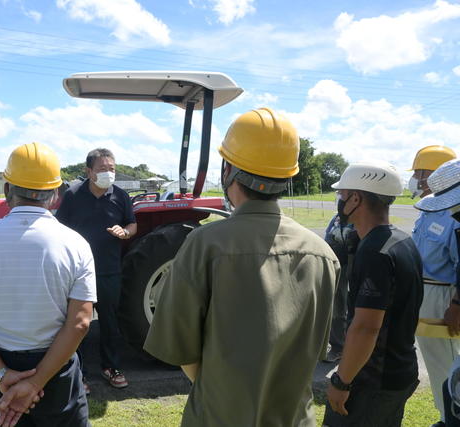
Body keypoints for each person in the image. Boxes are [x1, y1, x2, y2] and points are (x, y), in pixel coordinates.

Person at [144, 108, 340, 426]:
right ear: (287, 176)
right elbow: (315, 348)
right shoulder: (323, 254)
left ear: (229, 170)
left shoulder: (205, 244)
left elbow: (183, 353)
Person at [0, 142, 97, 427]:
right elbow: (80, 322)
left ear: (7, 190)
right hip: (56, 377)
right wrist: (36, 382)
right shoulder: (76, 245)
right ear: (56, 195)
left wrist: (2, 376)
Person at [324, 161, 423, 426]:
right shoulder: (402, 241)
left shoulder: (375, 252)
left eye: (342, 194)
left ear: (356, 198)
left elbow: (366, 328)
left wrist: (341, 381)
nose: (340, 200)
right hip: (400, 371)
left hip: (373, 383)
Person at [55, 148, 137, 389]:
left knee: (110, 323)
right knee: (76, 323)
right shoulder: (72, 195)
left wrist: (125, 232)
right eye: (102, 169)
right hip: (77, 272)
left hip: (109, 269)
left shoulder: (120, 196)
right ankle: (79, 374)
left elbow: (132, 224)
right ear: (89, 171)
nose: (108, 173)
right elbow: (59, 228)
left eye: (111, 169)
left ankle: (111, 367)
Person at [410, 145, 459, 427]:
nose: (416, 176)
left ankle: (450, 416)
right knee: (435, 358)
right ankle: (445, 414)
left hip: (444, 294)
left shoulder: (453, 212)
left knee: (448, 363)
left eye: (420, 171)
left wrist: (455, 304)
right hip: (427, 292)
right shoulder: (430, 207)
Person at [323, 214, 357, 363]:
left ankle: (353, 347)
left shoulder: (362, 216)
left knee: (358, 306)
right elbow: (327, 238)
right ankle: (338, 347)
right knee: (337, 306)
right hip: (337, 264)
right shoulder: (337, 217)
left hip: (357, 265)